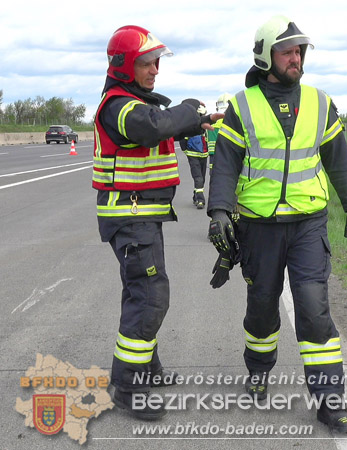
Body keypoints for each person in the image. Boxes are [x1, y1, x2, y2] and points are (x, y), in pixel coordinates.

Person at [206, 15, 347, 434]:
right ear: (265, 56)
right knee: (262, 306)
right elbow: (225, 164)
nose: (295, 58)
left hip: (309, 223)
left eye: (299, 51)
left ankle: (330, 402)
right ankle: (258, 370)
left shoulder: (319, 102)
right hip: (259, 226)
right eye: (286, 52)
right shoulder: (242, 106)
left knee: (313, 307)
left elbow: (338, 159)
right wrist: (219, 210)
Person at [92, 25, 222, 421]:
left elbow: (161, 124)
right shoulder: (119, 105)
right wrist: (189, 110)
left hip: (142, 216)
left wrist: (199, 121)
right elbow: (152, 127)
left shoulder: (134, 102)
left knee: (141, 293)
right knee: (150, 296)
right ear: (124, 66)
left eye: (157, 63)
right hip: (129, 216)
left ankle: (146, 368)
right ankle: (128, 387)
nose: (155, 70)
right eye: (146, 63)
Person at [206, 93, 233, 171]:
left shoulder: (211, 123)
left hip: (213, 157)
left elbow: (206, 139)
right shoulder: (231, 123)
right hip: (228, 157)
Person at [183, 133, 208, 208]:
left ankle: (196, 196)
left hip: (204, 155)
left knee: (202, 178)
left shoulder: (204, 127)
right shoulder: (189, 127)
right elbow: (183, 139)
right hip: (193, 155)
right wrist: (186, 151)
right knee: (198, 177)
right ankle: (200, 200)